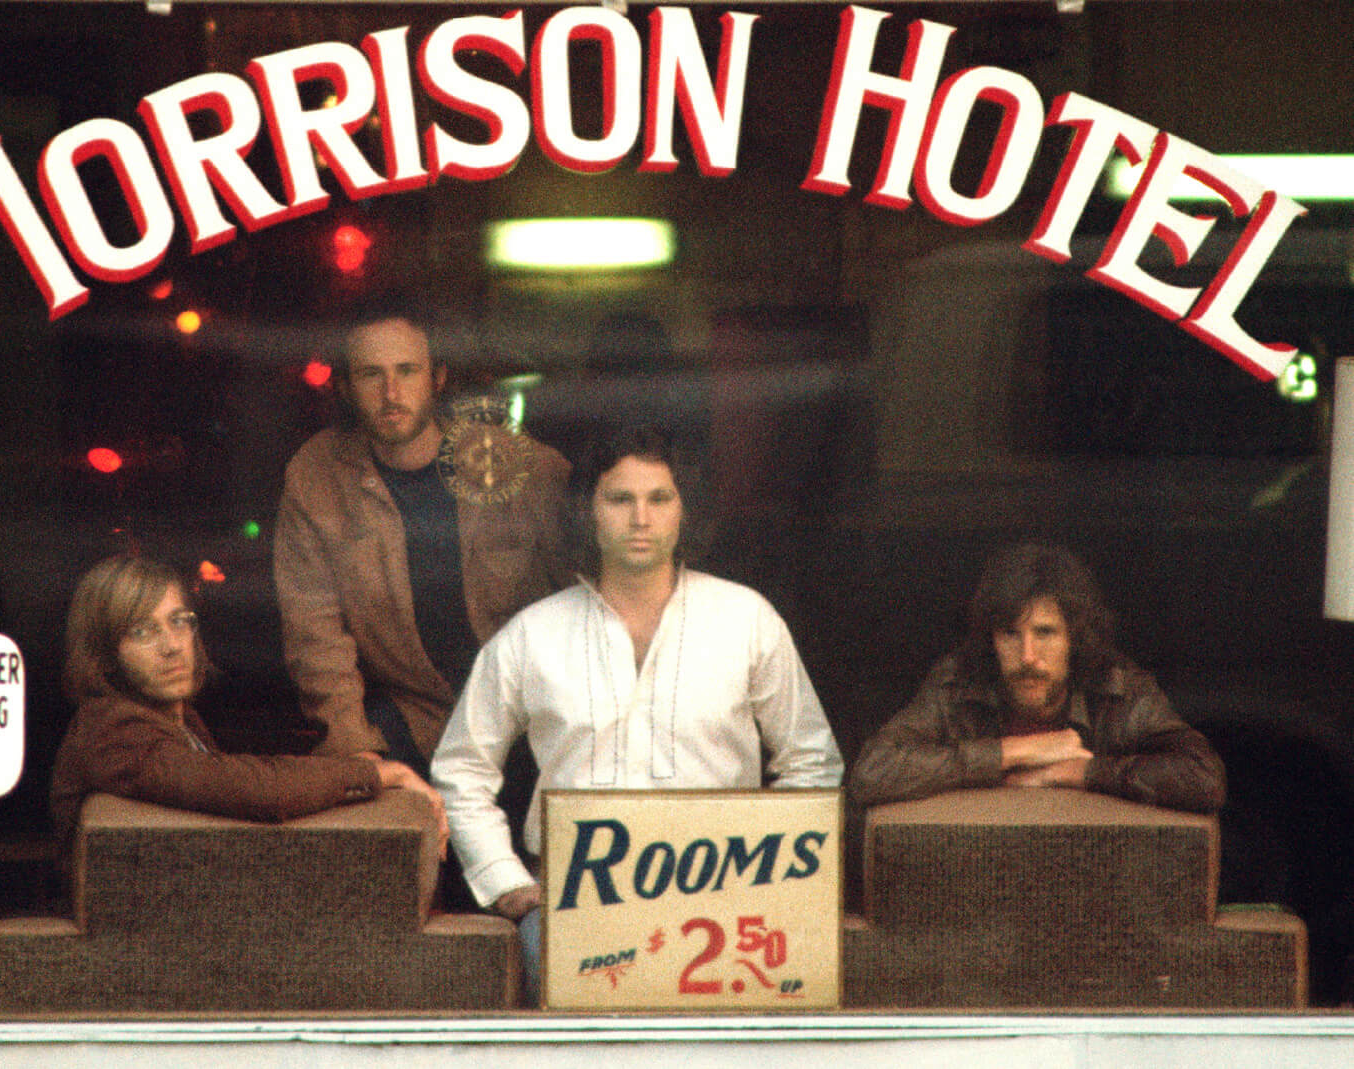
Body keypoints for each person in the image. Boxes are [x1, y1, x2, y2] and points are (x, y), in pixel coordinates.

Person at [430, 421, 843, 999]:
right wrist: (511, 885)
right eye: (620, 499)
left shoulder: (746, 620)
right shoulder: (533, 635)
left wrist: (770, 881)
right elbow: (460, 770)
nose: (641, 519)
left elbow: (812, 764)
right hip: (576, 904)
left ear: (684, 510)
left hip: (723, 906)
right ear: (587, 512)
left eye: (659, 499)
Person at [273, 295, 570, 774]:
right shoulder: (318, 478)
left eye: (407, 371)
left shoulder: (520, 466)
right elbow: (316, 636)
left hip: (530, 716)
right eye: (371, 375)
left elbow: (594, 594)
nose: (391, 393)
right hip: (416, 717)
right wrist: (357, 757)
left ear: (438, 378)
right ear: (346, 387)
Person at [51, 553, 446, 854]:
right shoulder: (110, 730)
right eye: (142, 631)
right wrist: (382, 773)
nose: (171, 646)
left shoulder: (179, 721)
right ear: (104, 655)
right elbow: (258, 790)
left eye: (179, 621)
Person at [846, 542, 1226, 813]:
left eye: (1045, 633)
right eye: (1011, 634)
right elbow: (873, 772)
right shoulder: (959, 684)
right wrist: (1014, 752)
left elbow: (1203, 777)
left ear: (1074, 638)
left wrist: (1084, 772)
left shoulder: (1116, 688)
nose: (1027, 657)